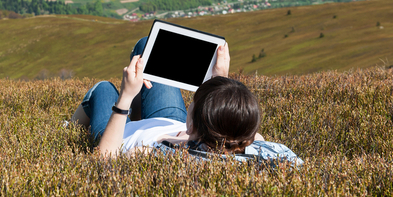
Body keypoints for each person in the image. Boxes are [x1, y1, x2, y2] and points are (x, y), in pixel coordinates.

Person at [71, 37, 302, 165]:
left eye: (192, 106)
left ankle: (70, 126)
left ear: (190, 125)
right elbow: (243, 133)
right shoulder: (273, 154)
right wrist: (219, 83)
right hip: (171, 122)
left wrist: (126, 97)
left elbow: (105, 160)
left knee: (104, 89)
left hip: (119, 132)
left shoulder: (159, 156)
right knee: (148, 46)